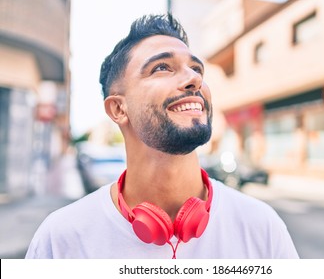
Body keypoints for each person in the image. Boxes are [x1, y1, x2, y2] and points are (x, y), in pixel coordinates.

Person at [25, 14, 299, 259]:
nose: (194, 80)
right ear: (119, 108)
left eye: (196, 69)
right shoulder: (60, 240)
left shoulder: (262, 227)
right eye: (162, 68)